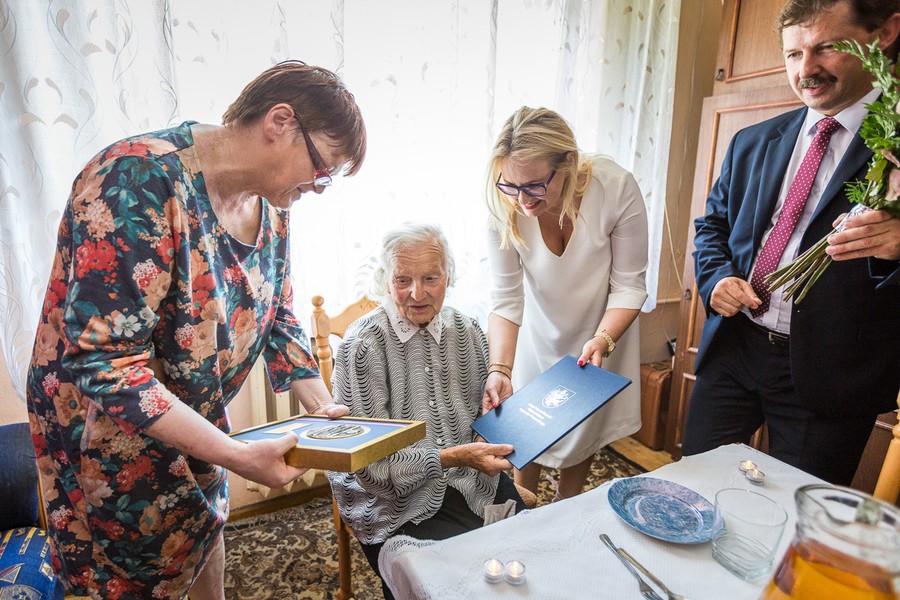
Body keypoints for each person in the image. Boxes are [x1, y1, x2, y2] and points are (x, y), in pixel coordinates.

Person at [25, 61, 366, 599]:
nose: (320, 187)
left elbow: (276, 310)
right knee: (130, 576)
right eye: (322, 168)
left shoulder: (272, 205)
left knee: (205, 535)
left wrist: (319, 404)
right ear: (279, 122)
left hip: (198, 420)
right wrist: (232, 453)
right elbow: (105, 363)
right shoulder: (134, 180)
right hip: (109, 437)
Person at [682, 0, 900, 485]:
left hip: (832, 372)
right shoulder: (752, 140)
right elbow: (713, 227)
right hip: (734, 351)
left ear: (883, 34)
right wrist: (717, 280)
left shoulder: (895, 144)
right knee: (690, 489)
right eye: (793, 54)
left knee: (794, 522)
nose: (807, 70)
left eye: (826, 47)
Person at [327, 223, 526, 599]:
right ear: (385, 279)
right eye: (403, 279)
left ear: (449, 275)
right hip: (393, 502)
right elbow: (370, 469)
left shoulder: (468, 331)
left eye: (430, 277)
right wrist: (452, 457)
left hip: (472, 478)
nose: (417, 293)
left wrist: (502, 420)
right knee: (443, 587)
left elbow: (482, 421)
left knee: (526, 561)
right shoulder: (362, 346)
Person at [483, 107, 649, 500]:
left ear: (569, 163)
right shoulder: (503, 203)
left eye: (535, 186)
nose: (522, 200)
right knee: (525, 442)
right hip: (534, 334)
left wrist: (603, 340)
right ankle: (524, 516)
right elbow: (506, 297)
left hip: (600, 331)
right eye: (510, 185)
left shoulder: (615, 187)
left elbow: (628, 286)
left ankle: (567, 504)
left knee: (583, 436)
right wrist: (499, 367)